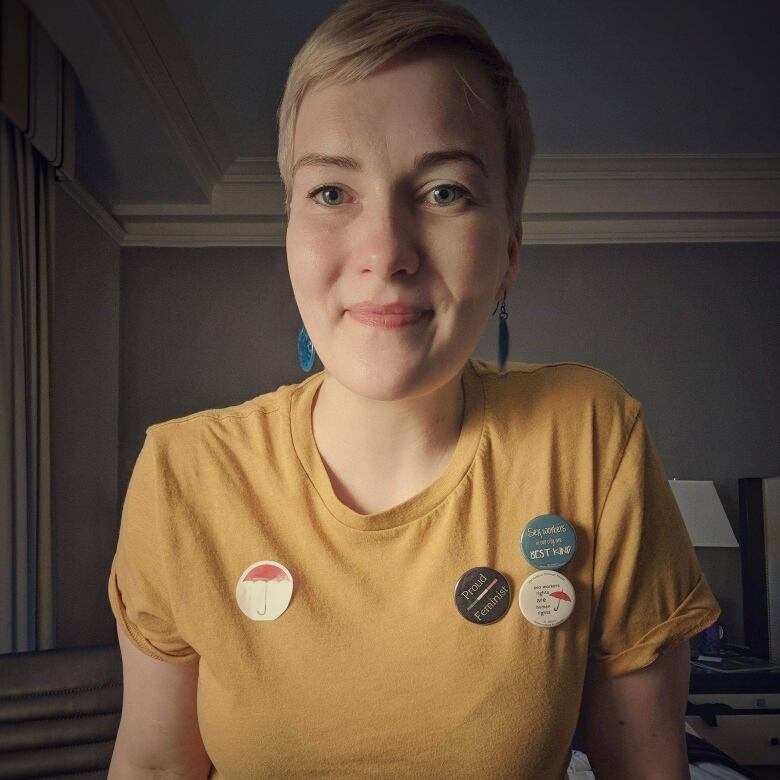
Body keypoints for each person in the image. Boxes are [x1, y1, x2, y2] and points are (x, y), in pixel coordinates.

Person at [107, 1, 722, 778]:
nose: (386, 253)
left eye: (443, 193)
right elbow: (157, 767)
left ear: (508, 253)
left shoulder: (593, 437)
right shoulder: (181, 475)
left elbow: (644, 766)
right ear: (290, 230)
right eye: (332, 192)